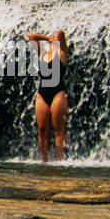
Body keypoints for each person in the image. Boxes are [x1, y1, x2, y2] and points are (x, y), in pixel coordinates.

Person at [27, 29, 68, 161]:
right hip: (42, 94)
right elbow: (31, 36)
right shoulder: (42, 53)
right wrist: (47, 38)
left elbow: (61, 33)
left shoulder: (62, 53)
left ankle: (59, 160)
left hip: (58, 94)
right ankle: (44, 160)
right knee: (42, 129)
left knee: (58, 130)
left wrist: (55, 39)